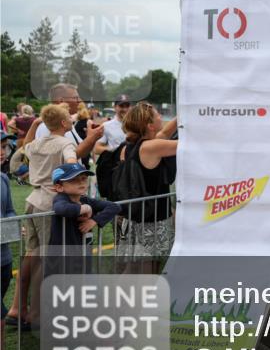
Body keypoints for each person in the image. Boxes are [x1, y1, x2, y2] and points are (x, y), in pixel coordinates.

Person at [4, 104, 78, 330]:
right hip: (51, 202)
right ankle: (37, 314)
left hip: (33, 200)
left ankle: (22, 309)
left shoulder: (35, 144)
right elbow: (72, 164)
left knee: (32, 254)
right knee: (48, 259)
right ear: (64, 123)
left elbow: (16, 159)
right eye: (69, 118)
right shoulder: (66, 143)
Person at [118, 102, 178, 263]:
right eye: (158, 115)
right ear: (150, 125)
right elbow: (189, 146)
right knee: (146, 272)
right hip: (152, 221)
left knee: (134, 270)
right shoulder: (152, 147)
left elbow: (165, 132)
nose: (161, 117)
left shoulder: (133, 145)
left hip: (137, 217)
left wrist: (188, 113)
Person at [1, 154, 40, 350]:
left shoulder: (3, 179)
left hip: (4, 258)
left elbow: (9, 210)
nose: (2, 151)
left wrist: (13, 224)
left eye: (3, 146)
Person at [48, 163, 120, 274]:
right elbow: (61, 209)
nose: (81, 182)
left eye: (83, 179)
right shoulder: (60, 199)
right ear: (59, 187)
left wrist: (94, 220)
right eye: (73, 180)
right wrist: (85, 208)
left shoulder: (86, 199)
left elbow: (114, 206)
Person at [24, 84, 103, 162]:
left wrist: (92, 138)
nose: (79, 101)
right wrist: (90, 139)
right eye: (75, 97)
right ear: (61, 101)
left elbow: (82, 152)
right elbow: (57, 159)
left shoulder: (66, 123)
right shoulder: (48, 125)